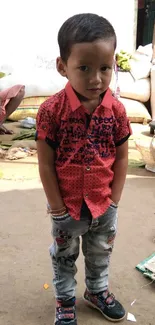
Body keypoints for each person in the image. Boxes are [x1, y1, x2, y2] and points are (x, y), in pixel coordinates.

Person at [36, 13, 131, 325]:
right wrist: (57, 207)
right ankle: (64, 299)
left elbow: (121, 157)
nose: (96, 79)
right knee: (63, 256)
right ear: (63, 66)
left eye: (105, 68)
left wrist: (114, 201)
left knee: (100, 252)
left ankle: (97, 290)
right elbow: (46, 164)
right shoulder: (51, 111)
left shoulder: (117, 110)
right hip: (68, 208)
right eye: (84, 68)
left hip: (104, 204)